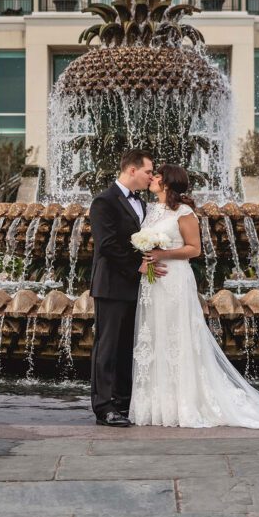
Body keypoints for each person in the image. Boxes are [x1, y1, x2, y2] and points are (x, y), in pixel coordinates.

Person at [129, 165, 259, 429]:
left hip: (174, 280)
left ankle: (184, 402)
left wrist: (162, 254)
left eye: (157, 176)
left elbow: (194, 250)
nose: (153, 179)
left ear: (168, 183)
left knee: (177, 336)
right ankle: (157, 404)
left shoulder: (184, 212)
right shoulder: (151, 210)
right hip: (152, 282)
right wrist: (147, 256)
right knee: (155, 335)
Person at [88, 149, 166, 427]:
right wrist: (138, 265)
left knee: (128, 348)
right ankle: (104, 407)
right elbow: (106, 244)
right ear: (132, 170)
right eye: (148, 171)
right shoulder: (103, 201)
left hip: (138, 287)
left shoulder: (143, 205)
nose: (151, 176)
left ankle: (123, 402)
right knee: (107, 347)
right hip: (111, 285)